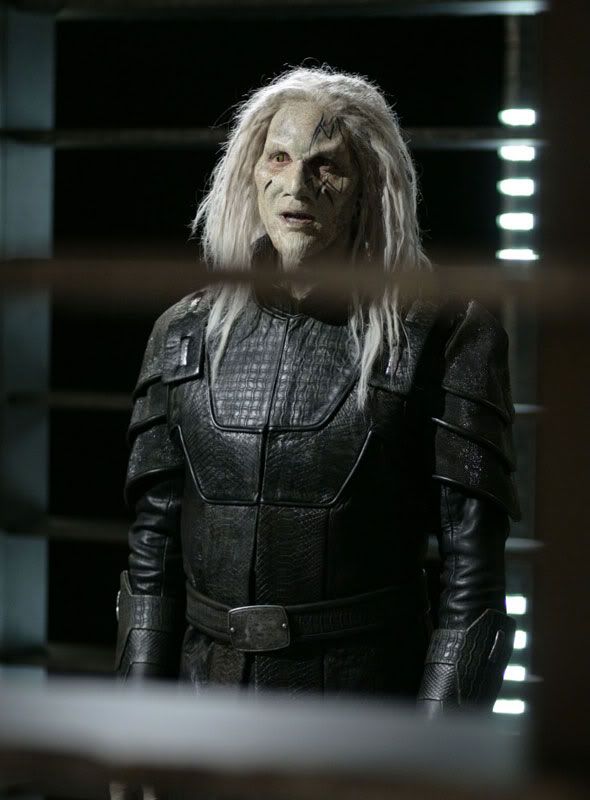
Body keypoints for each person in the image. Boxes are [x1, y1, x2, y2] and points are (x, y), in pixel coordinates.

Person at [114, 66, 518, 715]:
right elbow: (151, 556)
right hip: (203, 708)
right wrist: (135, 729)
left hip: (363, 712)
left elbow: (472, 586)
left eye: (325, 165)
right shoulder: (184, 332)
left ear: (369, 185)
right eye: (279, 157)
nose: (296, 185)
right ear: (253, 171)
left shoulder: (445, 334)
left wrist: (435, 750)